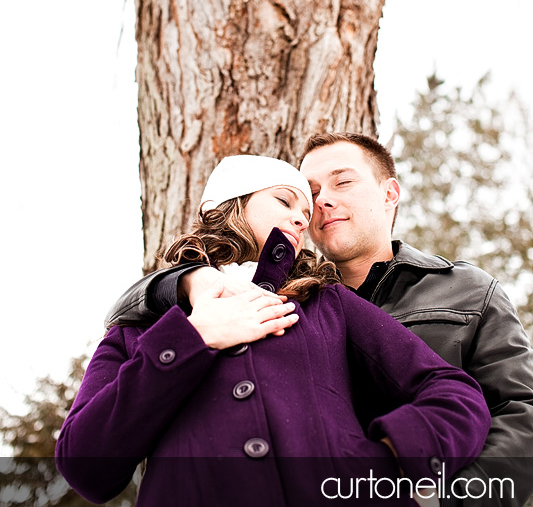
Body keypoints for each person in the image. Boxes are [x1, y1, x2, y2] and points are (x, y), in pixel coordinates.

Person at [103, 134, 533, 507]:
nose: (321, 200)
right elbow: (127, 318)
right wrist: (182, 284)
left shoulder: (467, 289)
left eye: (343, 181)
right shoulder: (289, 301)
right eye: (308, 192)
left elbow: (520, 411)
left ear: (389, 193)